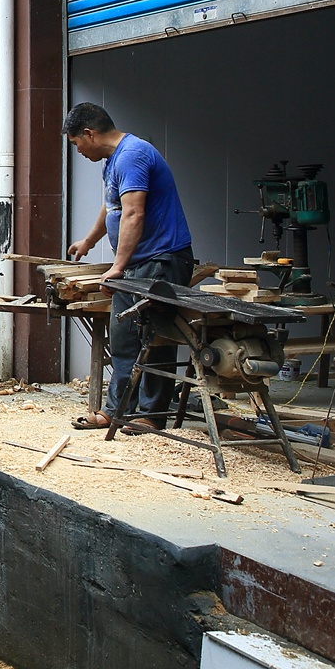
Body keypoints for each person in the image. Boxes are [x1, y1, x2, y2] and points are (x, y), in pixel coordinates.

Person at [63, 103, 194, 432]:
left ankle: (151, 415)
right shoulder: (114, 162)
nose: (78, 151)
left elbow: (135, 213)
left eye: (77, 143)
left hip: (161, 260)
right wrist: (89, 242)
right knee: (123, 338)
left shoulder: (133, 155)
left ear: (90, 134)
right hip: (137, 263)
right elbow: (113, 207)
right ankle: (117, 410)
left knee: (155, 337)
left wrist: (117, 266)